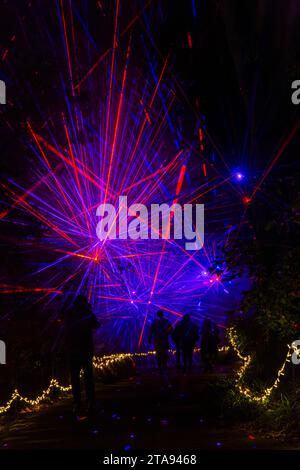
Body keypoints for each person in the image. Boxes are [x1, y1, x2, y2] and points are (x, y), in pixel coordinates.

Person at [64, 294, 99, 415]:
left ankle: (77, 403)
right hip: (84, 348)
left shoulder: (70, 312)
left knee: (75, 378)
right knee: (88, 377)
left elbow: (66, 327)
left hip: (74, 348)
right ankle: (89, 402)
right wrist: (89, 313)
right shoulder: (86, 312)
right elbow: (96, 325)